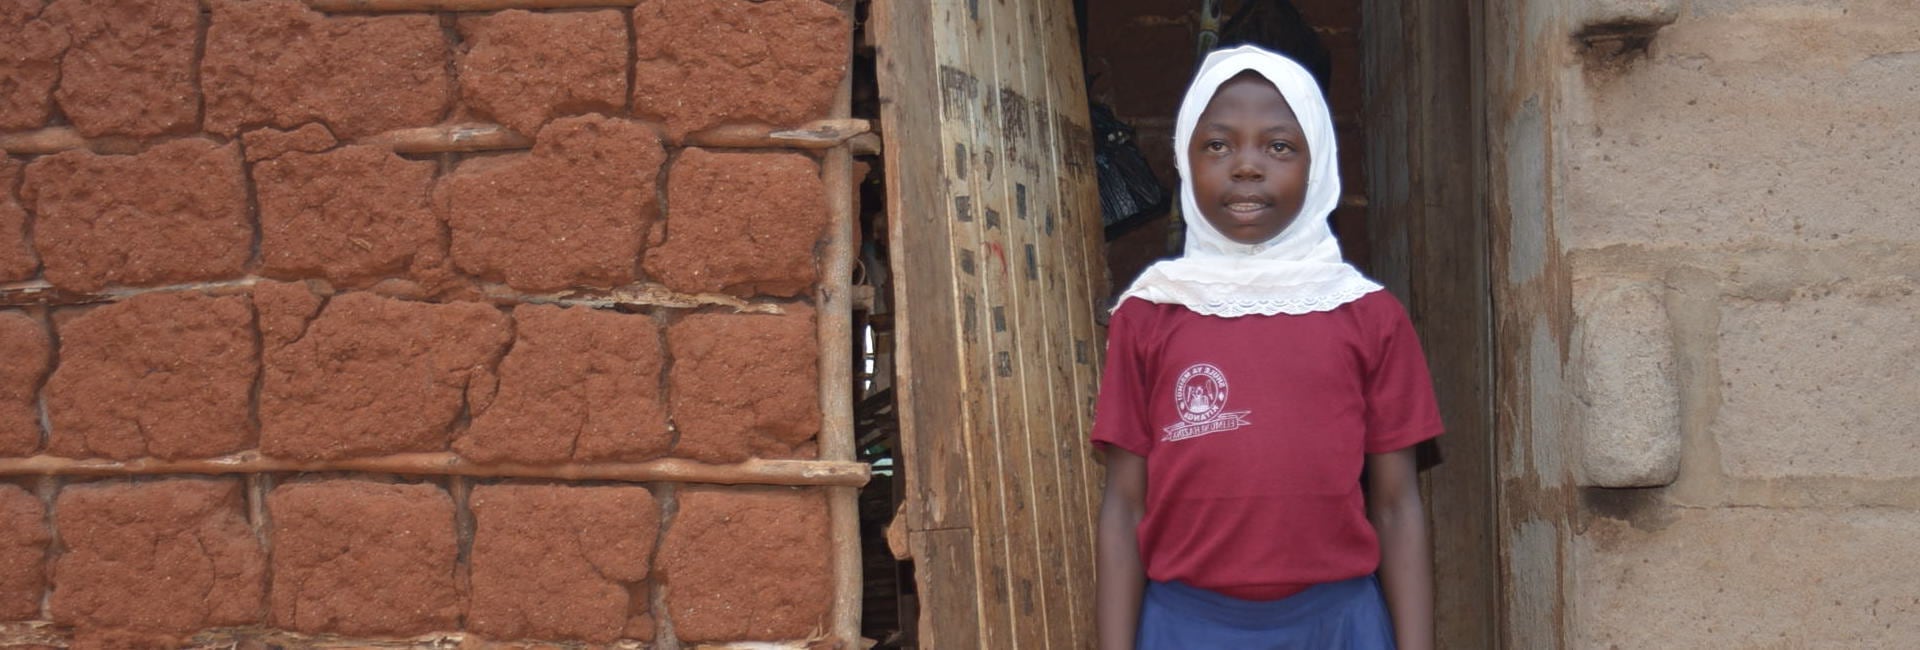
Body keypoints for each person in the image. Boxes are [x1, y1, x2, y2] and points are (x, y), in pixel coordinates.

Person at [1092, 44, 1442, 650]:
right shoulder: (1149, 314)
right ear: (1183, 158)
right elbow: (1125, 507)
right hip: (1184, 626)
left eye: (1278, 146)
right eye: (1217, 145)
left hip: (1340, 624)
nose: (1246, 166)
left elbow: (1397, 504)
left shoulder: (1368, 315)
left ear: (1320, 163)